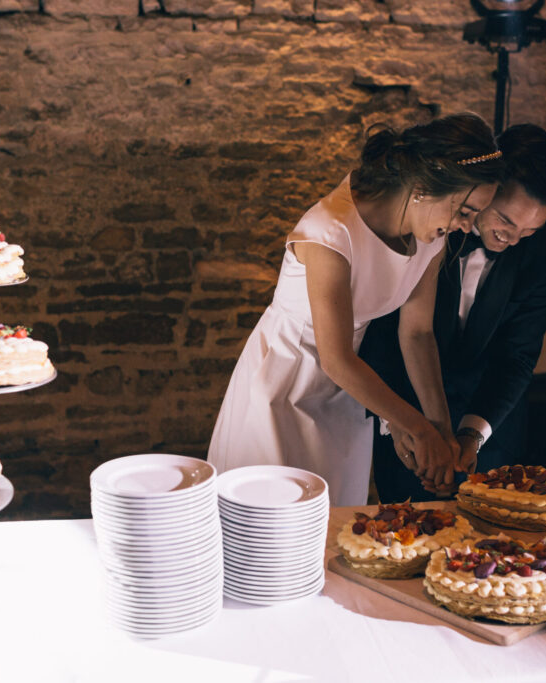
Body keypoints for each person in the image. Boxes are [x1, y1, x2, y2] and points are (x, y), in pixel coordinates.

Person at [207, 113, 504, 506]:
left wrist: (441, 434)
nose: (467, 227)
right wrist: (416, 427)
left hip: (347, 394)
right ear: (424, 187)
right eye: (464, 211)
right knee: (269, 531)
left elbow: (417, 335)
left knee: (333, 530)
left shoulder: (431, 239)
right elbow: (335, 358)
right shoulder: (330, 231)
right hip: (283, 385)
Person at [358, 123, 546, 502]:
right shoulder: (432, 221)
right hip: (406, 409)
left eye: (530, 230)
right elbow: (390, 330)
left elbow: (518, 356)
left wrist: (472, 434)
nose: (513, 240)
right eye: (506, 220)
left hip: (490, 421)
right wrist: (403, 423)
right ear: (485, 189)